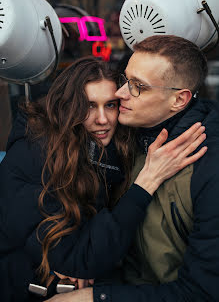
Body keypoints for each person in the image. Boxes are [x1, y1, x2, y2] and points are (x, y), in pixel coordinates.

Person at [0, 55, 205, 302]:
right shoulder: (35, 154)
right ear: (68, 108)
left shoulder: (109, 151)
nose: (103, 119)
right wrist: (146, 182)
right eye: (88, 106)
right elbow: (78, 257)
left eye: (110, 105)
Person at [45, 35, 219, 302]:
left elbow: (203, 292)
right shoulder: (126, 136)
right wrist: (85, 262)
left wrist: (97, 296)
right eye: (125, 79)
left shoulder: (208, 165)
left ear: (179, 100)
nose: (120, 92)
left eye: (138, 86)